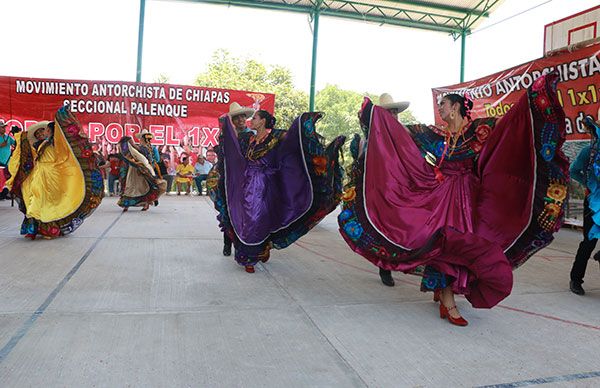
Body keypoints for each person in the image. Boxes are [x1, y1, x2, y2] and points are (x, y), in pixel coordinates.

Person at [338, 73, 569, 326]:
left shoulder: (481, 131)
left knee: (461, 245)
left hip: (469, 198)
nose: (440, 108)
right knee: (445, 243)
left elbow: (511, 130)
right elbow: (399, 136)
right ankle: (448, 303)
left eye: (443, 105)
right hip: (442, 197)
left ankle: (444, 292)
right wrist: (375, 114)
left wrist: (535, 95)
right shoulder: (435, 135)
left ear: (455, 107)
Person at [207, 109, 346, 273]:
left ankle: (258, 251)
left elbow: (293, 141)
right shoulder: (247, 138)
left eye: (255, 118)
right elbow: (233, 149)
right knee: (247, 219)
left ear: (263, 121)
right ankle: (251, 254)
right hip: (246, 184)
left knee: (261, 219)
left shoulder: (276, 137)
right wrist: (226, 127)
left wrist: (303, 122)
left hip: (266, 185)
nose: (251, 120)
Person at [6, 106, 104, 239]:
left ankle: (47, 229)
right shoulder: (40, 145)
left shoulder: (56, 143)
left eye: (45, 131)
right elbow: (25, 150)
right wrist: (19, 135)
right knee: (35, 200)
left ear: (51, 131)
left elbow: (64, 154)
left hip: (51, 175)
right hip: (39, 175)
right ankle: (34, 228)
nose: (42, 133)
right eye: (39, 133)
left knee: (47, 203)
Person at [374, 93, 410, 287]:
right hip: (382, 187)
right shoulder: (375, 133)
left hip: (402, 187)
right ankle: (384, 267)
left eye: (395, 112)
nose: (393, 116)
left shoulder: (405, 132)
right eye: (390, 112)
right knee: (384, 227)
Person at [216, 102, 256, 256]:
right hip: (227, 181)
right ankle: (227, 244)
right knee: (227, 211)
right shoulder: (225, 137)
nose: (240, 120)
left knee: (244, 214)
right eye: (237, 118)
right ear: (232, 121)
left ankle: (241, 245)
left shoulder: (250, 136)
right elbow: (222, 158)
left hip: (245, 181)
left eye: (242, 118)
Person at [569, 111, 600, 295]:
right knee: (588, 242)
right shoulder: (588, 152)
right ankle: (575, 279)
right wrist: (589, 184)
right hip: (593, 202)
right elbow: (574, 171)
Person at [117, 131, 167, 211]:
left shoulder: (139, 148)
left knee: (133, 186)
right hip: (143, 169)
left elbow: (133, 152)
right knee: (143, 187)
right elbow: (156, 160)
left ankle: (127, 204)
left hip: (138, 170)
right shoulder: (151, 148)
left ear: (141, 138)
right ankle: (145, 204)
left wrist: (130, 142)